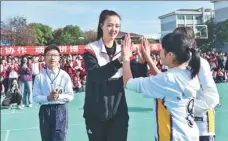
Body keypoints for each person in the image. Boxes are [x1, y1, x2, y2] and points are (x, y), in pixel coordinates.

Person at [83, 10, 147, 141]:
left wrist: (141, 62)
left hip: (118, 111)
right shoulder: (91, 49)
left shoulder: (122, 50)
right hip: (95, 112)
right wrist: (120, 60)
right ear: (101, 25)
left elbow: (138, 77)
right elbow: (96, 76)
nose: (114, 29)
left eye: (117, 26)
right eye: (110, 25)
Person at [122, 33, 201, 141]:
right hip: (189, 134)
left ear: (170, 55)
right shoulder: (189, 74)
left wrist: (126, 57)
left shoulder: (167, 80)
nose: (160, 52)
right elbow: (163, 81)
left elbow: (128, 82)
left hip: (172, 136)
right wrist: (148, 58)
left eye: (162, 49)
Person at [173, 27, 219, 141]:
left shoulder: (200, 63)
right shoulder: (175, 63)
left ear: (192, 42)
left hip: (202, 125)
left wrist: (185, 107)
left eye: (181, 39)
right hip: (183, 125)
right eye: (175, 39)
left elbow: (212, 98)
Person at [33, 44, 74, 141]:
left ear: (59, 57)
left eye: (55, 55)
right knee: (46, 137)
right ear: (44, 57)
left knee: (59, 137)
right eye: (49, 55)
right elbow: (35, 97)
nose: (52, 58)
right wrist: (48, 98)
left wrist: (58, 96)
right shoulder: (40, 77)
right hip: (45, 110)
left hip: (60, 109)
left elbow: (70, 95)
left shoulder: (64, 75)